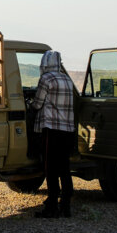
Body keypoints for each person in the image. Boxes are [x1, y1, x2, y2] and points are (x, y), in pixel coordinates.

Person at [30, 49, 77, 218]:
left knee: (50, 168)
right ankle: (65, 205)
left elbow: (37, 103)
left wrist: (31, 107)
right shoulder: (67, 79)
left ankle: (51, 206)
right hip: (67, 130)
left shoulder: (46, 79)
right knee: (64, 167)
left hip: (51, 129)